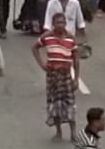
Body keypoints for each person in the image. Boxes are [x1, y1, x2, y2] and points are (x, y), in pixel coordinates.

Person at [35, 11, 81, 140]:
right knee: (54, 103)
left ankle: (73, 133)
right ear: (53, 24)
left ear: (65, 23)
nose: (60, 25)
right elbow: (35, 48)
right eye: (57, 23)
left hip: (66, 76)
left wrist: (76, 78)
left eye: (62, 22)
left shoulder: (71, 38)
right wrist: (42, 64)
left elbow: (76, 59)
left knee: (70, 103)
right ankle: (58, 132)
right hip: (52, 76)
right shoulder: (47, 37)